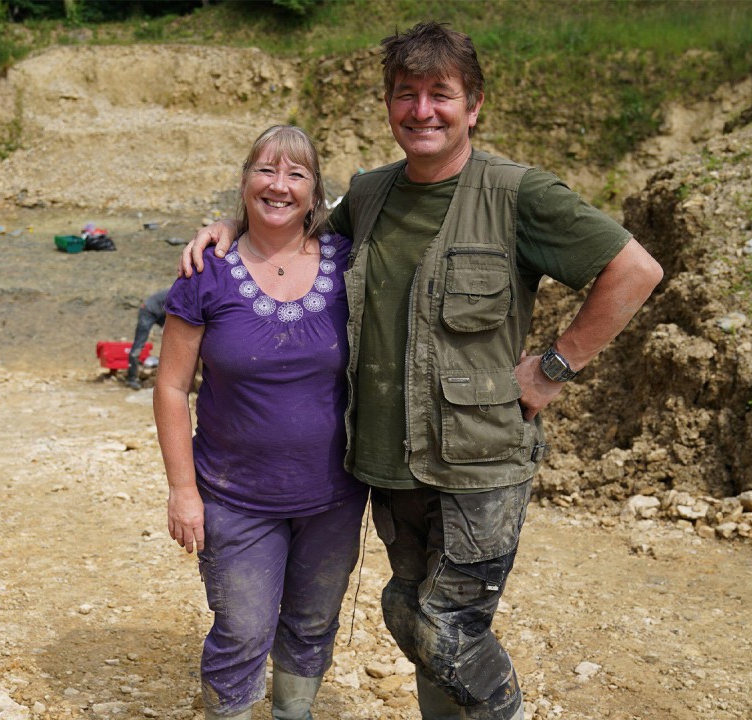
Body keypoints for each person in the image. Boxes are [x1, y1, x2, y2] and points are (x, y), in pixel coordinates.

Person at [183, 23, 664, 720]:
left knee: (447, 627)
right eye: (406, 94)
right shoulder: (372, 196)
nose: (422, 110)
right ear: (388, 106)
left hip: (478, 463)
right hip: (388, 463)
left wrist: (555, 366)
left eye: (441, 94)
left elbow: (634, 271)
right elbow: (290, 232)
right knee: (410, 613)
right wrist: (225, 229)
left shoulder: (517, 194)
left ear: (473, 107)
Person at [156, 125, 368, 720]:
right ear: (245, 180)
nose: (279, 186)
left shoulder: (349, 262)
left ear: (316, 191)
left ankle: (292, 712)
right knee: (244, 631)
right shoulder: (208, 269)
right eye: (265, 170)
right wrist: (182, 490)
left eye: (296, 174)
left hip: (333, 493)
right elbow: (172, 387)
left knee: (312, 620)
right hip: (234, 495)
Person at [125, 288, 168, 390]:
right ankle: (131, 378)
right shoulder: (180, 293)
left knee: (172, 337)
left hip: (160, 312)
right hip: (147, 311)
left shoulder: (183, 292)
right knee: (139, 343)